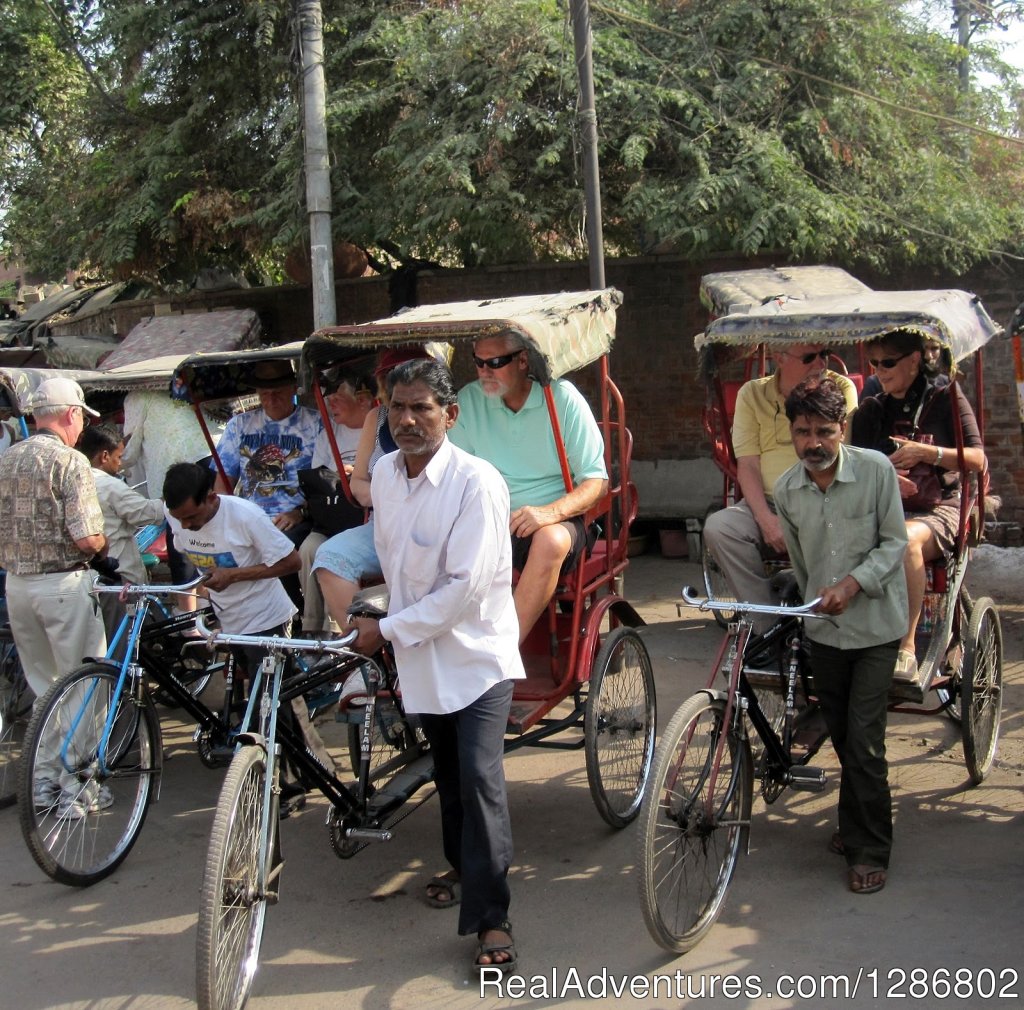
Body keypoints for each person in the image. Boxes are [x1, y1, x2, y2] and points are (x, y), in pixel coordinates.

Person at [349, 358, 524, 973]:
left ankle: (492, 921)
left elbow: (463, 591)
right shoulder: (386, 477)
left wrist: (386, 629)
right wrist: (378, 616)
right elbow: (397, 565)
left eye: (422, 407)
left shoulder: (477, 483)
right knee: (447, 776)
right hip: (420, 658)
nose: (407, 419)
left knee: (478, 782)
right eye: (397, 407)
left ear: (449, 414)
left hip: (477, 659)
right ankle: (463, 866)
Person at [773, 377, 908, 896]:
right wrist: (816, 605)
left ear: (842, 429)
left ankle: (869, 848)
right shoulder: (787, 489)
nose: (814, 443)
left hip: (875, 629)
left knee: (866, 744)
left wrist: (853, 584)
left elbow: (894, 543)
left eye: (824, 432)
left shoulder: (875, 472)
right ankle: (857, 823)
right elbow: (803, 566)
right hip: (824, 634)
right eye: (803, 431)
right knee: (847, 739)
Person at [164, 461, 317, 815]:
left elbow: (291, 562)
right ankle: (291, 771)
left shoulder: (244, 516)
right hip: (226, 619)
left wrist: (235, 575)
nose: (185, 526)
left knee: (272, 704)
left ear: (212, 498)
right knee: (255, 702)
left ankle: (291, 784)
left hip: (266, 620)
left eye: (192, 518)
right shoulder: (176, 515)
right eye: (179, 520)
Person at [449, 329, 608, 644]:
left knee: (549, 540)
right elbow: (458, 476)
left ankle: (503, 654)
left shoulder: (561, 398)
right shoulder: (467, 401)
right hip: (492, 519)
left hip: (559, 518)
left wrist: (549, 513)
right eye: (478, 363)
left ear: (523, 360)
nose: (485, 372)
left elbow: (596, 482)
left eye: (494, 362)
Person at [851, 328, 986, 682]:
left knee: (905, 540)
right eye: (874, 363)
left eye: (889, 362)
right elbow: (853, 469)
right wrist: (886, 476)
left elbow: (977, 459)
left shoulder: (946, 399)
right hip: (885, 505)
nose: (880, 369)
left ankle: (906, 648)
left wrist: (927, 453)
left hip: (939, 508)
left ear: (914, 360)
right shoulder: (871, 410)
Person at [0, 378, 109, 815]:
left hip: (18, 585)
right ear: (70, 414)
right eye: (81, 416)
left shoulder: (8, 458)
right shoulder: (70, 461)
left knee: (45, 688)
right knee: (83, 687)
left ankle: (44, 784)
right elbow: (88, 538)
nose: (82, 426)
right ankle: (78, 789)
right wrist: (104, 546)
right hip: (63, 585)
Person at [702, 344, 858, 636]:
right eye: (810, 357)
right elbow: (746, 464)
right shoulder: (753, 394)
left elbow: (846, 458)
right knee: (720, 528)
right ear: (780, 357)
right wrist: (765, 519)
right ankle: (768, 628)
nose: (821, 363)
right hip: (772, 502)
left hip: (824, 500)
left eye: (824, 353)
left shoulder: (838, 389)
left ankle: (827, 626)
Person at [313, 346, 431, 633]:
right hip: (383, 524)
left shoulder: (438, 416)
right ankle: (363, 644)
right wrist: (389, 497)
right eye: (394, 377)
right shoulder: (376, 418)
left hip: (431, 524)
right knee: (327, 557)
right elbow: (358, 483)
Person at [212, 358, 322, 609]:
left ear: (294, 389)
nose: (272, 399)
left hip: (298, 515)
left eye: (279, 392)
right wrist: (224, 517)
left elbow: (326, 479)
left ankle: (291, 615)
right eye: (265, 393)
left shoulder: (316, 423)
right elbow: (223, 480)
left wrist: (301, 511)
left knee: (282, 548)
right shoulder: (239, 425)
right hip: (250, 514)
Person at [297, 365, 375, 635]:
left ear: (363, 399)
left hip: (365, 516)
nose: (331, 407)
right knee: (309, 548)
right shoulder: (327, 435)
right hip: (334, 516)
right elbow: (320, 478)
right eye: (328, 401)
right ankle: (315, 628)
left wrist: (357, 476)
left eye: (336, 399)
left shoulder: (381, 430)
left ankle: (343, 627)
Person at [78, 423, 166, 643]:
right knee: (123, 644)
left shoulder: (74, 479)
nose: (120, 464)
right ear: (104, 456)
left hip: (84, 579)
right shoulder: (110, 486)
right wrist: (172, 502)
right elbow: (145, 512)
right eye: (119, 457)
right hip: (119, 576)